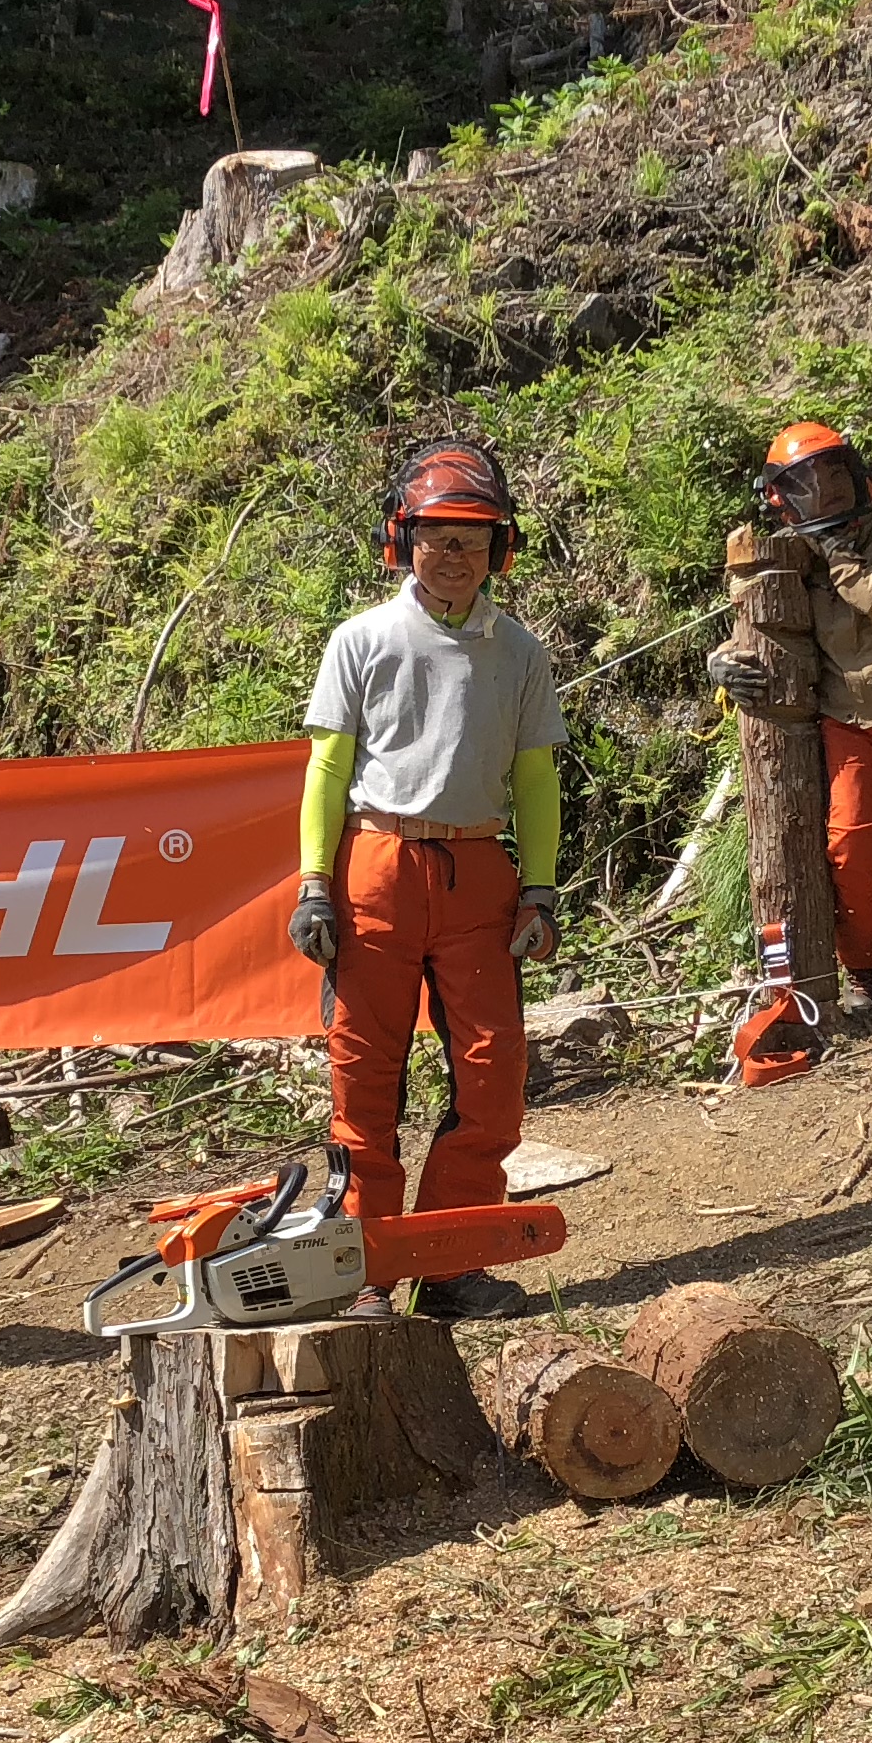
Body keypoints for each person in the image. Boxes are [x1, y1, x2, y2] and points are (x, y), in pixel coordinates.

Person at [288, 437, 565, 1318]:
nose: (455, 555)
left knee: (492, 1069)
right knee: (364, 1076)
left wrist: (542, 887)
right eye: (438, 537)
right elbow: (327, 772)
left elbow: (535, 779)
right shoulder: (361, 640)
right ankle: (366, 1272)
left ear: (501, 550)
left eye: (474, 539)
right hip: (376, 861)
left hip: (480, 868)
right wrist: (313, 884)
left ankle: (451, 1262)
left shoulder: (519, 653)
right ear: (401, 542)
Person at [706, 419, 872, 1033]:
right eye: (810, 482)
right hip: (845, 720)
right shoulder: (786, 556)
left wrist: (837, 551)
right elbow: (757, 623)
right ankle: (864, 975)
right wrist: (722, 662)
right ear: (784, 498)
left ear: (856, 474)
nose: (828, 489)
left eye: (835, 473)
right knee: (850, 851)